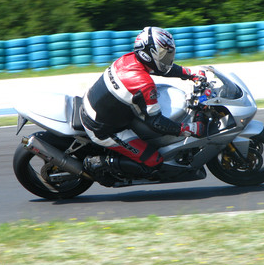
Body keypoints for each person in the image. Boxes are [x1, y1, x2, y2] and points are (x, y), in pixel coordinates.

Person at [80, 26, 206, 181]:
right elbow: (156, 122)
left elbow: (161, 68)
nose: (166, 57)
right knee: (154, 161)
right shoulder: (142, 83)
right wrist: (188, 128)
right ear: (148, 53)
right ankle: (100, 162)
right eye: (162, 54)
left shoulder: (130, 59)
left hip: (98, 106)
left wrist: (189, 73)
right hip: (102, 128)